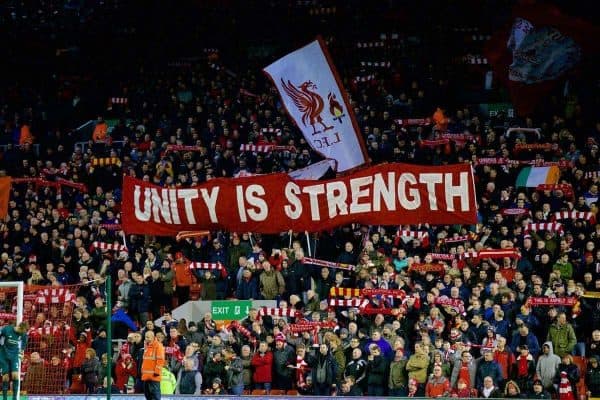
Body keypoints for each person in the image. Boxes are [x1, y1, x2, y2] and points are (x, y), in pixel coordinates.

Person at [0, 322, 28, 400]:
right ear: (18, 327)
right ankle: (4, 398)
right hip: (3, 355)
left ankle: (15, 398)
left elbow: (24, 342)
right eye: (21, 331)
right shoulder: (6, 329)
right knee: (5, 377)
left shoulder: (23, 333)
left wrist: (22, 351)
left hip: (14, 355)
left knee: (15, 375)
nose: (21, 333)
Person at [141, 330, 165, 400]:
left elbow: (160, 360)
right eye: (145, 337)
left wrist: (157, 372)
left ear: (153, 337)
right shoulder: (147, 347)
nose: (146, 338)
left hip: (154, 376)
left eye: (148, 337)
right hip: (146, 376)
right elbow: (145, 361)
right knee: (147, 395)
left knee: (155, 395)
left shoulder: (158, 346)